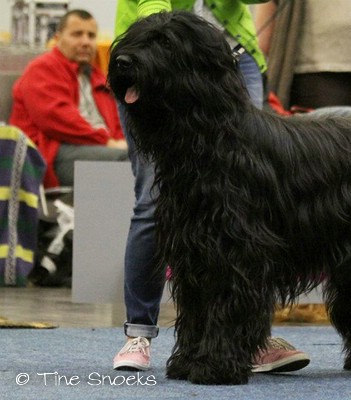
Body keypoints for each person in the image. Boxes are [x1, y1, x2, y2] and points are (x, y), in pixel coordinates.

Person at [112, 0, 310, 373]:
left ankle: (242, 342)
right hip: (160, 43)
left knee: (242, 226)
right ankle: (142, 332)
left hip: (225, 55)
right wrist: (155, 34)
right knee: (156, 203)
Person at [9, 9, 128, 188]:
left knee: (145, 158)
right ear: (57, 38)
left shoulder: (97, 76)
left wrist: (125, 143)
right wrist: (108, 142)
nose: (86, 42)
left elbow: (119, 123)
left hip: (97, 149)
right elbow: (58, 119)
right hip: (52, 154)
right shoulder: (42, 69)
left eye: (91, 35)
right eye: (77, 34)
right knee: (126, 161)